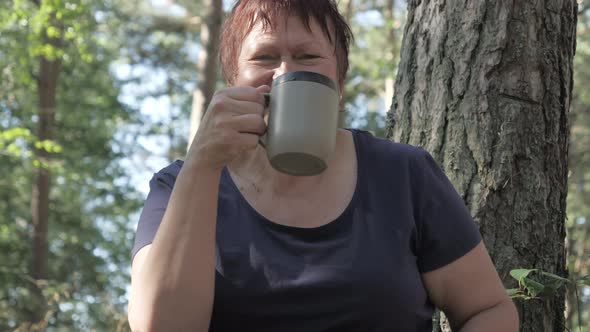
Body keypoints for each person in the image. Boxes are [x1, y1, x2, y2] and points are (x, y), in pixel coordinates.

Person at [128, 0, 519, 331]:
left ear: (340, 78)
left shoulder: (404, 174)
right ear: (234, 79)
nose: (284, 73)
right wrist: (204, 162)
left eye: (307, 56)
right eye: (263, 57)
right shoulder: (179, 185)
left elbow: (488, 309)